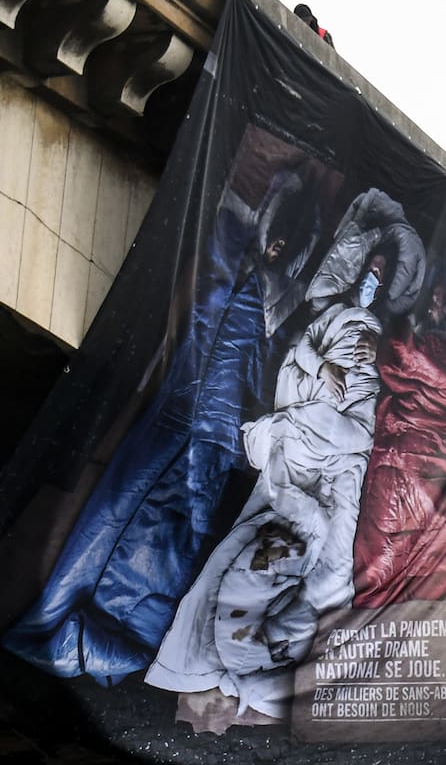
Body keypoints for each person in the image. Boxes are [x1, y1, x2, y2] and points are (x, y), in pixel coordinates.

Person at [2, 171, 322, 684]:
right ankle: (269, 226)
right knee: (226, 357)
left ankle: (252, 222)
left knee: (205, 347)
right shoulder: (98, 643)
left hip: (169, 453)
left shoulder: (61, 620)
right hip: (190, 461)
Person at [146, 252, 392, 723]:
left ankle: (265, 685)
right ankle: (224, 673)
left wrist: (326, 402)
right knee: (282, 554)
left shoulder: (369, 367)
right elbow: (299, 358)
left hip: (336, 468)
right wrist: (320, 371)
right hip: (298, 464)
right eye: (370, 273)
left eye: (378, 278)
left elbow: (359, 434)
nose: (359, 345)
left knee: (331, 571)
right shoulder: (314, 348)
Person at [353, 278, 446, 607]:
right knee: (382, 561)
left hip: (425, 464)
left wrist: (385, 346)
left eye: (440, 300)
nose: (432, 306)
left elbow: (415, 367)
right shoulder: (428, 347)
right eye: (431, 299)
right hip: (403, 463)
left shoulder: (445, 355)